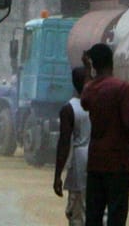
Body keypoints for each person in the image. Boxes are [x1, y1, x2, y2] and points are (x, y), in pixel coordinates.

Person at [80, 41, 129, 225]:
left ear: (94, 64)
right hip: (118, 163)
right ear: (111, 61)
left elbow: (84, 98)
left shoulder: (89, 90)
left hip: (95, 162)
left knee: (93, 215)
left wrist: (87, 70)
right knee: (116, 216)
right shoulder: (122, 89)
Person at [52, 66, 92, 224]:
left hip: (79, 160)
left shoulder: (69, 109)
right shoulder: (100, 104)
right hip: (99, 157)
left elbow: (63, 144)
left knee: (77, 210)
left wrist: (57, 175)